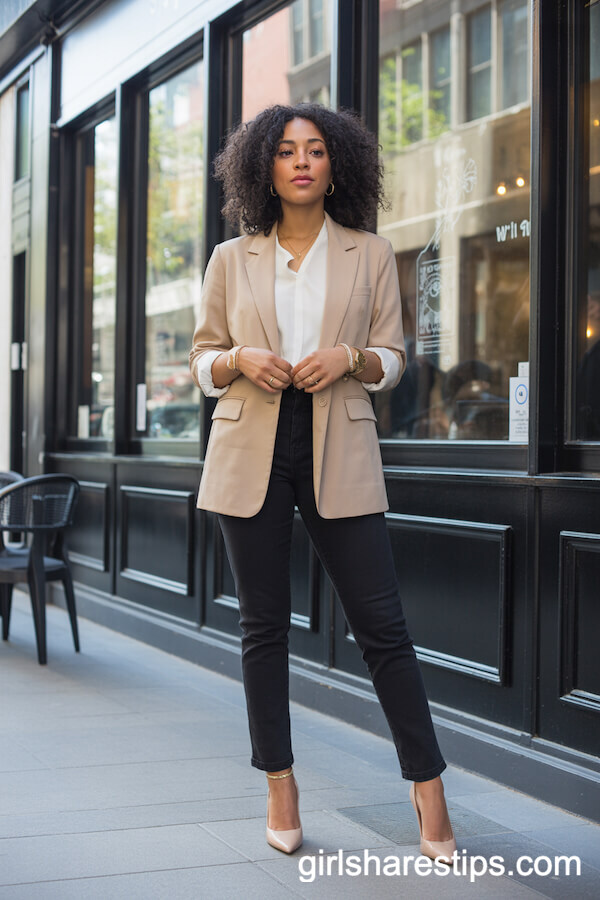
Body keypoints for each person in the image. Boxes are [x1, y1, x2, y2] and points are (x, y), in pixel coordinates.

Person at [189, 103, 456, 861]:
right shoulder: (230, 257)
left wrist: (351, 359)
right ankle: (279, 781)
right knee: (263, 626)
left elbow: (394, 358)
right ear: (263, 168)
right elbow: (202, 362)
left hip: (340, 441)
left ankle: (428, 784)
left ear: (337, 163)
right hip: (251, 446)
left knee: (383, 626)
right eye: (285, 151)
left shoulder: (370, 252)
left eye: (314, 150)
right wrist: (239, 358)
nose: (301, 161)